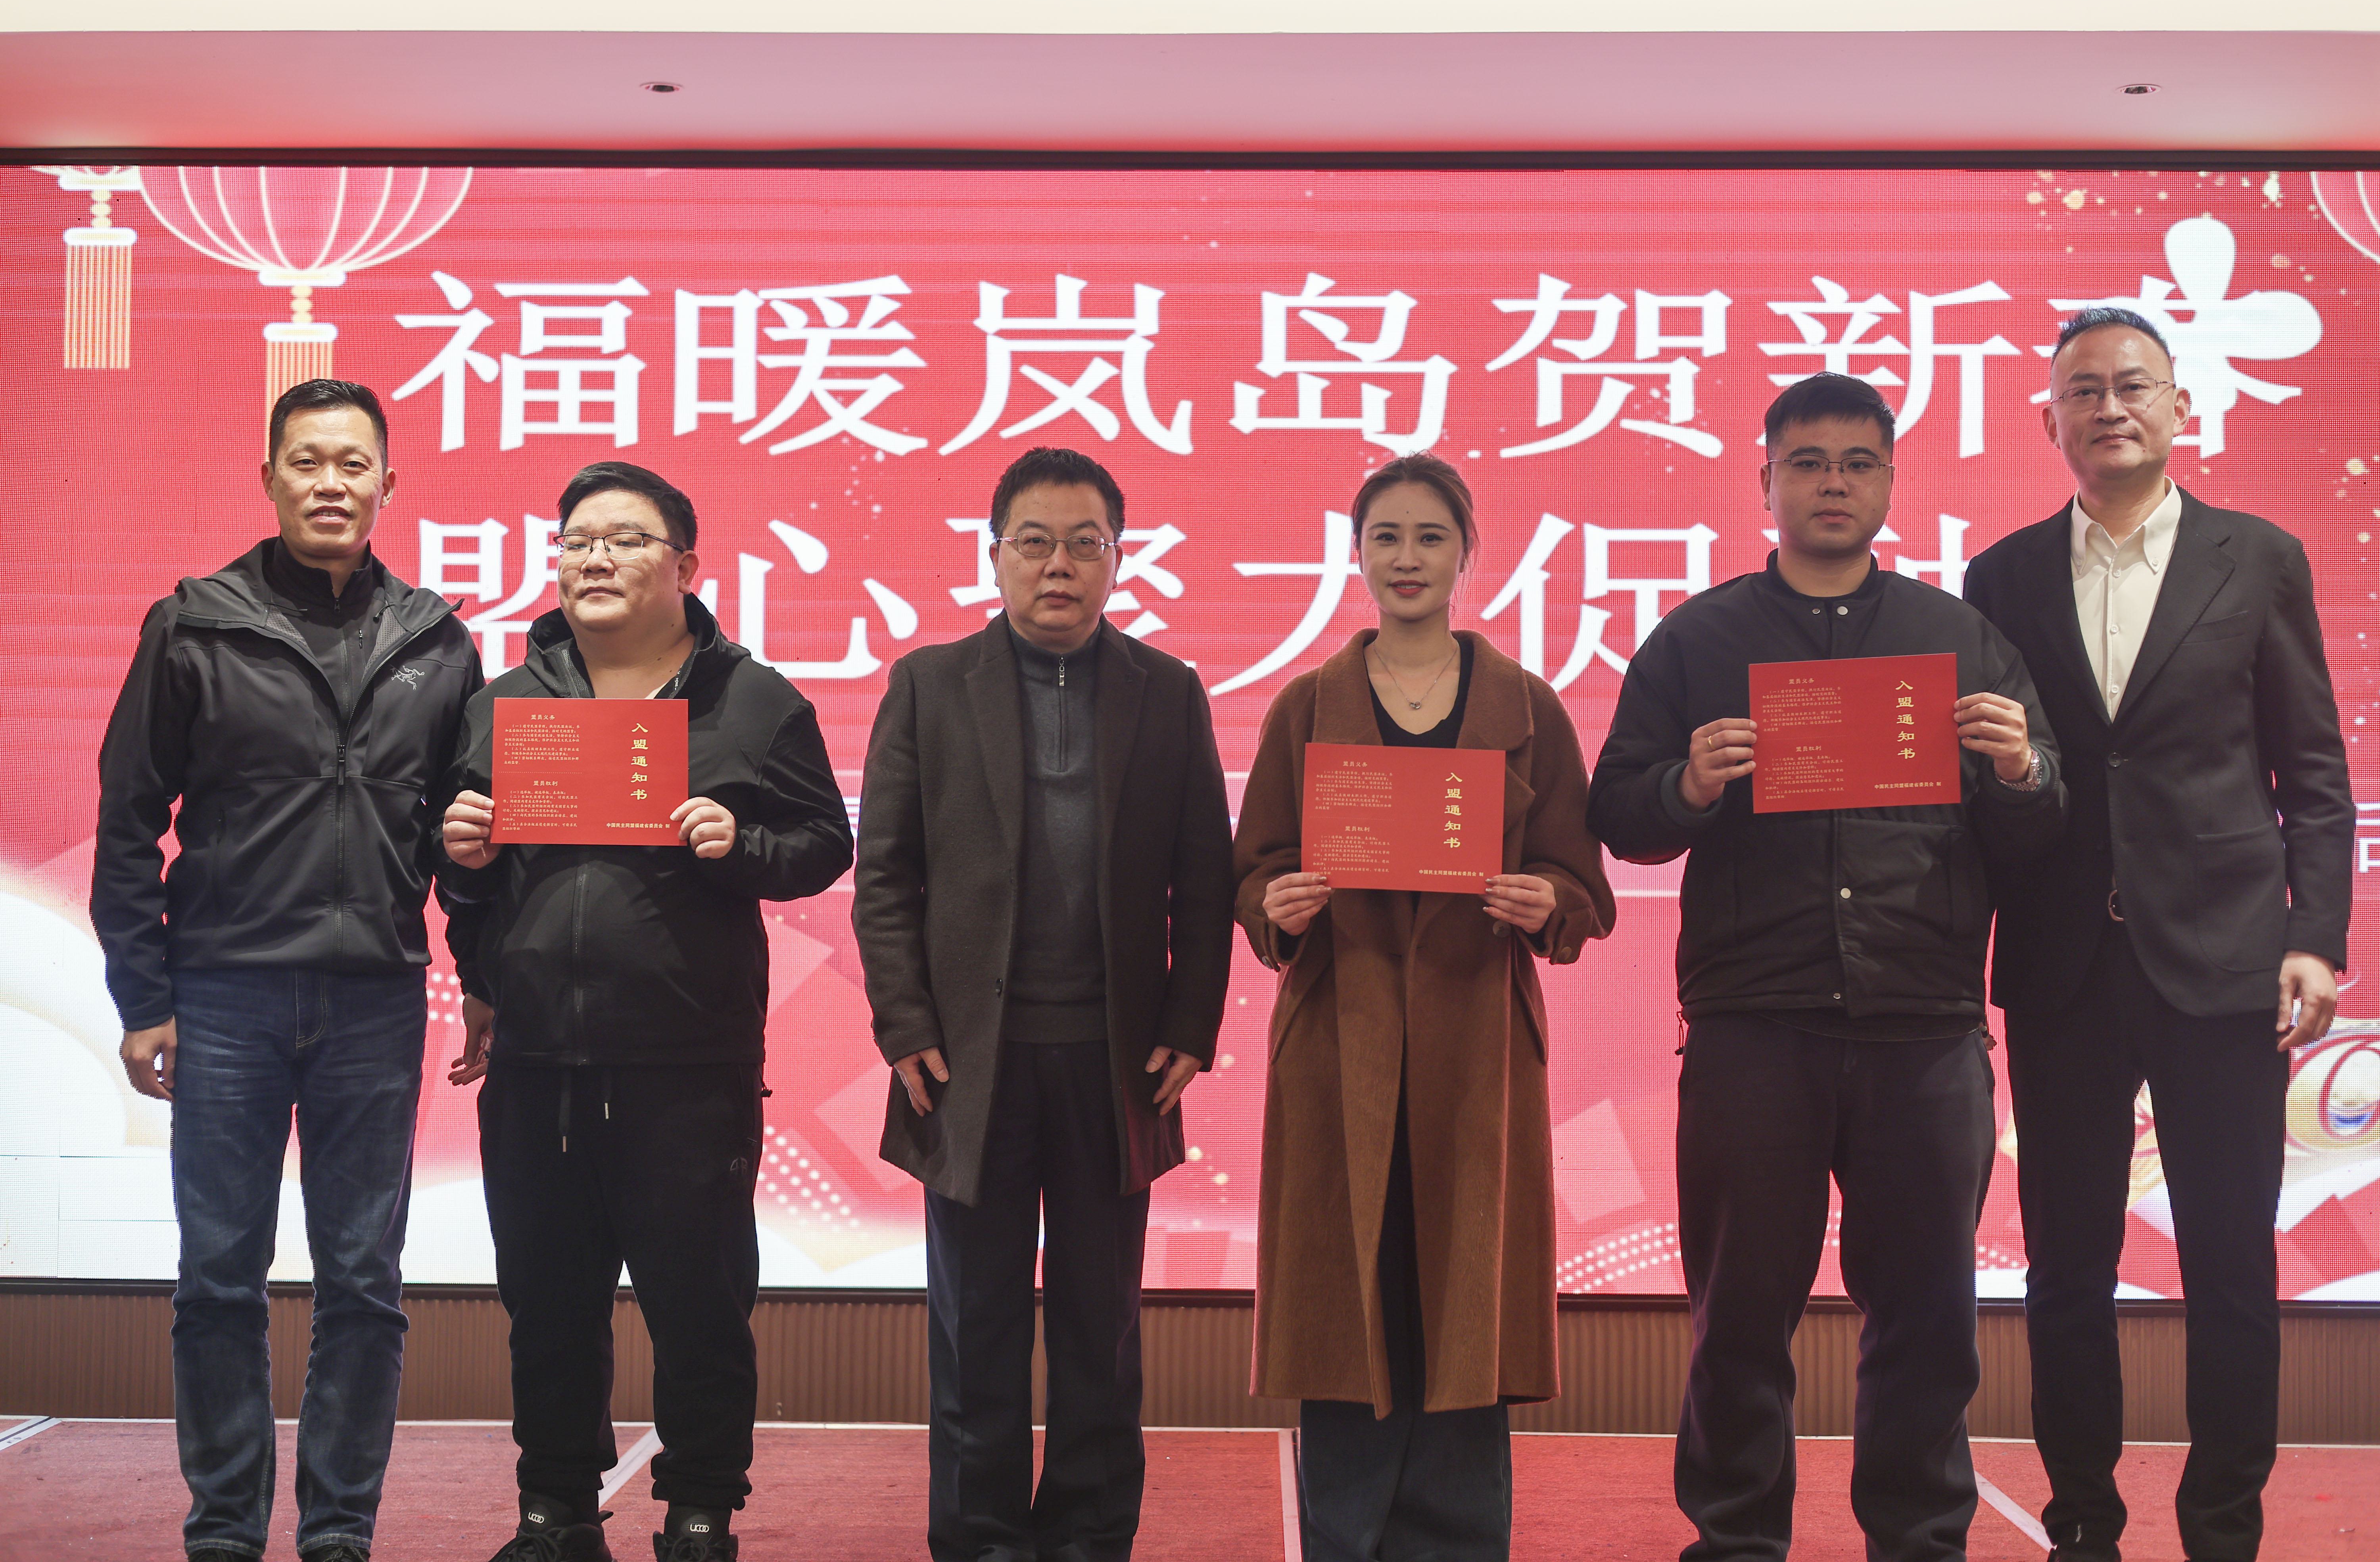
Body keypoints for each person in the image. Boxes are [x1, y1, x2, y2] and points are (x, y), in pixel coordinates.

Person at [1589, 373, 2064, 1562]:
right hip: (1756, 1027)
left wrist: (2022, 771)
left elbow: (2039, 835)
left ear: (1890, 481)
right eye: (1808, 462)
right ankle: (1736, 1541)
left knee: (1928, 1320)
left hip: (1925, 1027)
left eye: (1858, 463)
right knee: (1740, 1317)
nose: (1833, 484)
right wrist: (1687, 785)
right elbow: (1619, 814)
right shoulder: (1699, 639)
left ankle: (1920, 1539)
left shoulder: (1958, 639)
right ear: (1767, 481)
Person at [1963, 307, 2353, 1562]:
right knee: (2067, 1271)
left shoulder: (2260, 558)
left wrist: (2316, 935)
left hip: (2227, 962)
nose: (2110, 407)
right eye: (2084, 391)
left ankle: (2224, 1525)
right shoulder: (2001, 577)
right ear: (2051, 422)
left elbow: (2313, 771)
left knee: (2232, 1264)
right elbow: (1992, 786)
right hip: (2065, 965)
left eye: (2133, 385)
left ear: (2183, 407)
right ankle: (2083, 1517)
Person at [91, 379, 482, 1562]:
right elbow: (126, 822)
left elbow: (464, 840)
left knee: (364, 1279)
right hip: (223, 996)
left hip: (376, 1001)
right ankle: (223, 1528)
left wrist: (486, 977)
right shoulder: (194, 625)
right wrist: (143, 997)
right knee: (219, 1274)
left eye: (353, 464)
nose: (330, 484)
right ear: (268, 478)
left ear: (387, 485)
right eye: (307, 462)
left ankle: (339, 1530)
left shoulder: (436, 641)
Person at [438, 461, 852, 1562]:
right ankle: (555, 1512)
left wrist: (740, 844)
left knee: (700, 1307)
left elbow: (824, 845)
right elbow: (470, 887)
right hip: (539, 1065)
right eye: (577, 541)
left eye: (625, 540)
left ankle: (701, 1511)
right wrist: (463, 855)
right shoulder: (506, 704)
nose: (596, 559)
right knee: (547, 1305)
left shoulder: (753, 701)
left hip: (689, 1066)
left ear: (686, 566)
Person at [852, 445, 1234, 1562]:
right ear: (996, 556)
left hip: (1117, 1062)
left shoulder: (1168, 692)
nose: (1058, 565)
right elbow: (887, 877)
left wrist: (1190, 1026)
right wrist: (905, 1025)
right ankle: (979, 1540)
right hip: (968, 1064)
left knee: (1099, 1327)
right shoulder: (930, 684)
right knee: (974, 1325)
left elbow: (1205, 878)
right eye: (1035, 543)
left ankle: (1088, 1537)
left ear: (1118, 559)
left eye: (1083, 544)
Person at [1232, 453, 1614, 1562]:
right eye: (1386, 537)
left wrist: (1549, 900)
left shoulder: (1526, 706)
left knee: (1463, 1304)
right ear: (1356, 554)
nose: (1407, 558)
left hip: (1476, 1041)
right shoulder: (1305, 707)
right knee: (1345, 1303)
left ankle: (1456, 1539)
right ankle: (1344, 1537)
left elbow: (1583, 888)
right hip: (1338, 1040)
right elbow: (1250, 874)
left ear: (1467, 554)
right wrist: (1277, 903)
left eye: (1430, 537)